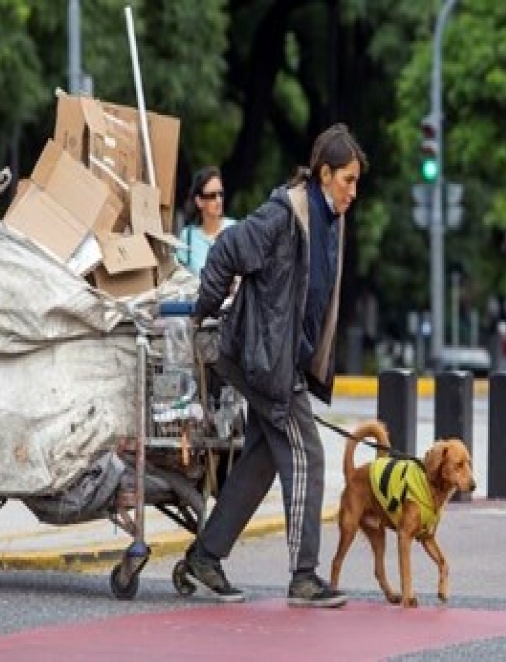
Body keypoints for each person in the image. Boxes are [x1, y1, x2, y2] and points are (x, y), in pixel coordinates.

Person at [182, 123, 368, 608]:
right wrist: (204, 312)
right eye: (348, 179)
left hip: (284, 361)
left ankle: (205, 558)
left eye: (356, 181)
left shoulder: (331, 219)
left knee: (263, 458)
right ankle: (304, 576)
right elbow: (226, 250)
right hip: (261, 359)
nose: (353, 191)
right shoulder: (283, 215)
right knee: (308, 454)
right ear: (325, 174)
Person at [176, 166, 237, 277]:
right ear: (199, 201)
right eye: (212, 196)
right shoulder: (187, 236)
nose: (218, 200)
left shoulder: (234, 230)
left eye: (221, 194)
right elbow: (179, 277)